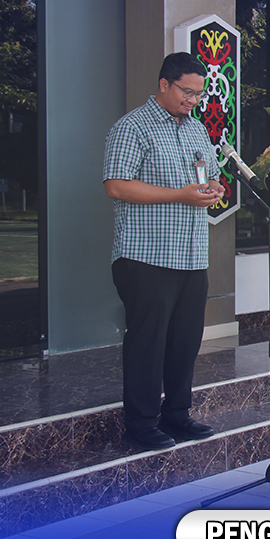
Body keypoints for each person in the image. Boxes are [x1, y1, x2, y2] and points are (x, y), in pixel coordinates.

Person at [103, 52, 225, 450]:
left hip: (191, 255)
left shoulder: (196, 130)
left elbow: (210, 175)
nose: (193, 100)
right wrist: (179, 195)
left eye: (198, 94)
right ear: (163, 84)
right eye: (186, 92)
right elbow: (116, 185)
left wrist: (214, 188)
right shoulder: (132, 127)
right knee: (148, 343)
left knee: (185, 342)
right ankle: (140, 424)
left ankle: (177, 415)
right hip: (146, 255)